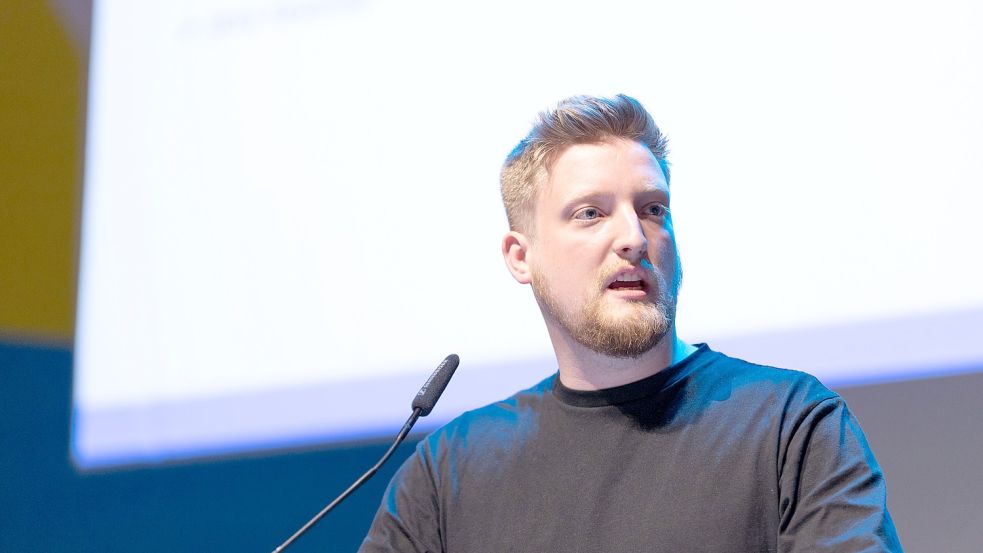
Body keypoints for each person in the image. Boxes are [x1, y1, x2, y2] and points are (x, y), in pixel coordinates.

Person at [359, 94, 902, 552]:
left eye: (652, 209)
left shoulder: (791, 424)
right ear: (520, 257)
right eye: (590, 213)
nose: (635, 238)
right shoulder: (447, 472)